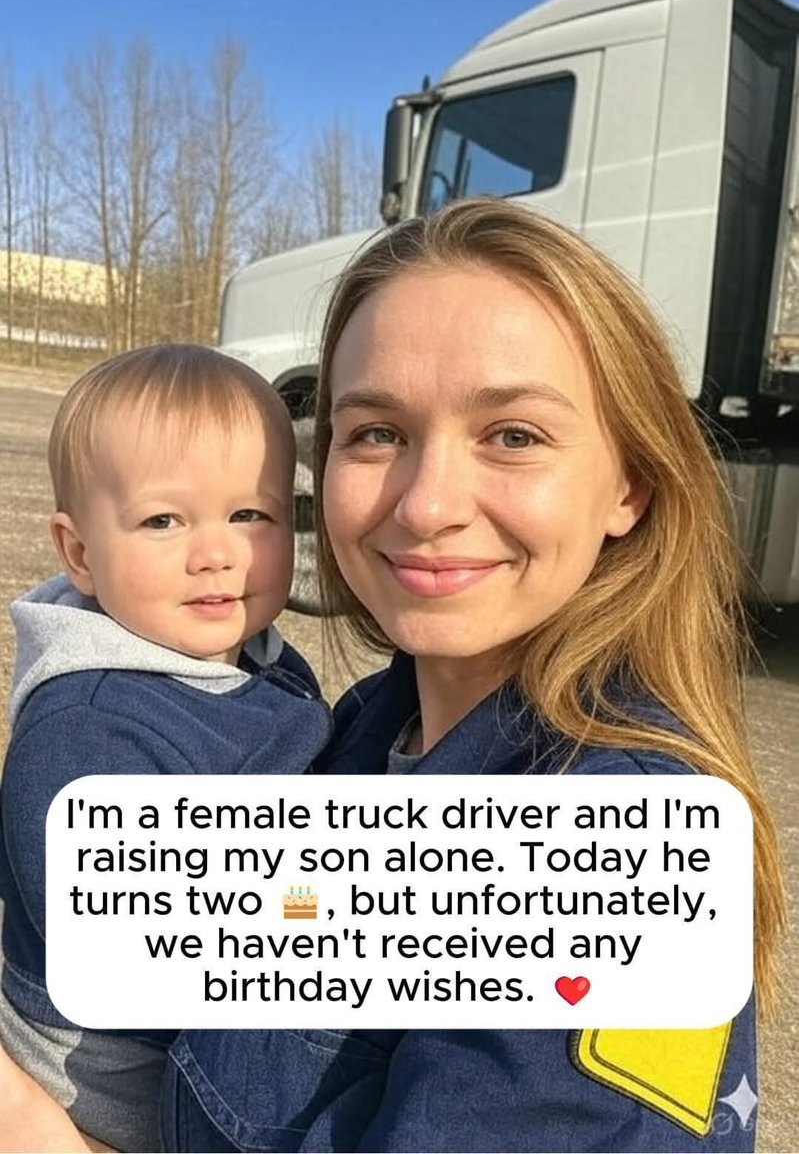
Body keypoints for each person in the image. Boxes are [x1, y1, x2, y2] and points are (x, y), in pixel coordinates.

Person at [0, 200, 785, 1152]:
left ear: (629, 483)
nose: (426, 505)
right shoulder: (366, 727)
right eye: (376, 433)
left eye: (513, 436)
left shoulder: (620, 849)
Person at [0, 344, 333, 1152]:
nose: (215, 553)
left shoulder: (251, 659)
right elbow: (128, 940)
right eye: (162, 521)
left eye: (249, 515)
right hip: (117, 1095)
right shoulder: (90, 722)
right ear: (80, 553)